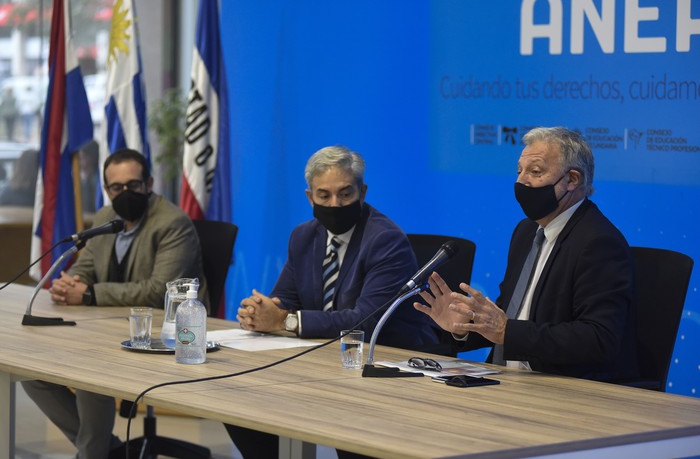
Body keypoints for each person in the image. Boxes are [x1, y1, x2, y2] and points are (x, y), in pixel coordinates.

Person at [229, 145, 437, 459]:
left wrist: (285, 321)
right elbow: (286, 297)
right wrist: (260, 312)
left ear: (363, 192)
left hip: (386, 366)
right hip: (326, 360)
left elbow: (365, 321)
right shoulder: (304, 236)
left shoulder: (385, 240)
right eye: (324, 195)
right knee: (238, 399)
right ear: (309, 197)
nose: (334, 204)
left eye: (345, 194)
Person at [21, 149, 208, 459]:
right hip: (105, 328)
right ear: (106, 190)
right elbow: (86, 268)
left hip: (163, 333)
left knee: (89, 379)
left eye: (133, 185)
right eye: (116, 188)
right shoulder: (107, 217)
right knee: (31, 372)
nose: (125, 193)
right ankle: (106, 451)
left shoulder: (173, 223)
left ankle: (92, 454)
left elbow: (157, 291)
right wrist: (70, 284)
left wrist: (90, 294)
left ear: (148, 183)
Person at [415, 127, 639, 382]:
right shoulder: (526, 232)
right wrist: (465, 326)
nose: (521, 182)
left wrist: (507, 331)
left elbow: (598, 338)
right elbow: (511, 316)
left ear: (572, 179)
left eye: (535, 171)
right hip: (505, 379)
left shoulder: (598, 242)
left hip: (561, 388)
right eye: (519, 171)